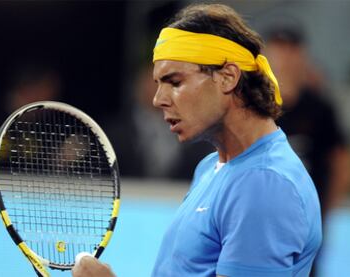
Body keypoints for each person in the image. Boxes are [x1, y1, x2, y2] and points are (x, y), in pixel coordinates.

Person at [73, 3, 322, 277]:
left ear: (227, 77)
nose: (159, 99)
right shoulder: (211, 166)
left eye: (175, 82)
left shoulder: (263, 186)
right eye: (158, 84)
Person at [264, 25, 350, 276]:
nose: (284, 58)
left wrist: (325, 211)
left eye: (291, 50)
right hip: (263, 214)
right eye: (279, 50)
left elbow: (341, 162)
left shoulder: (320, 108)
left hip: (306, 220)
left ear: (302, 54)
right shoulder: (255, 106)